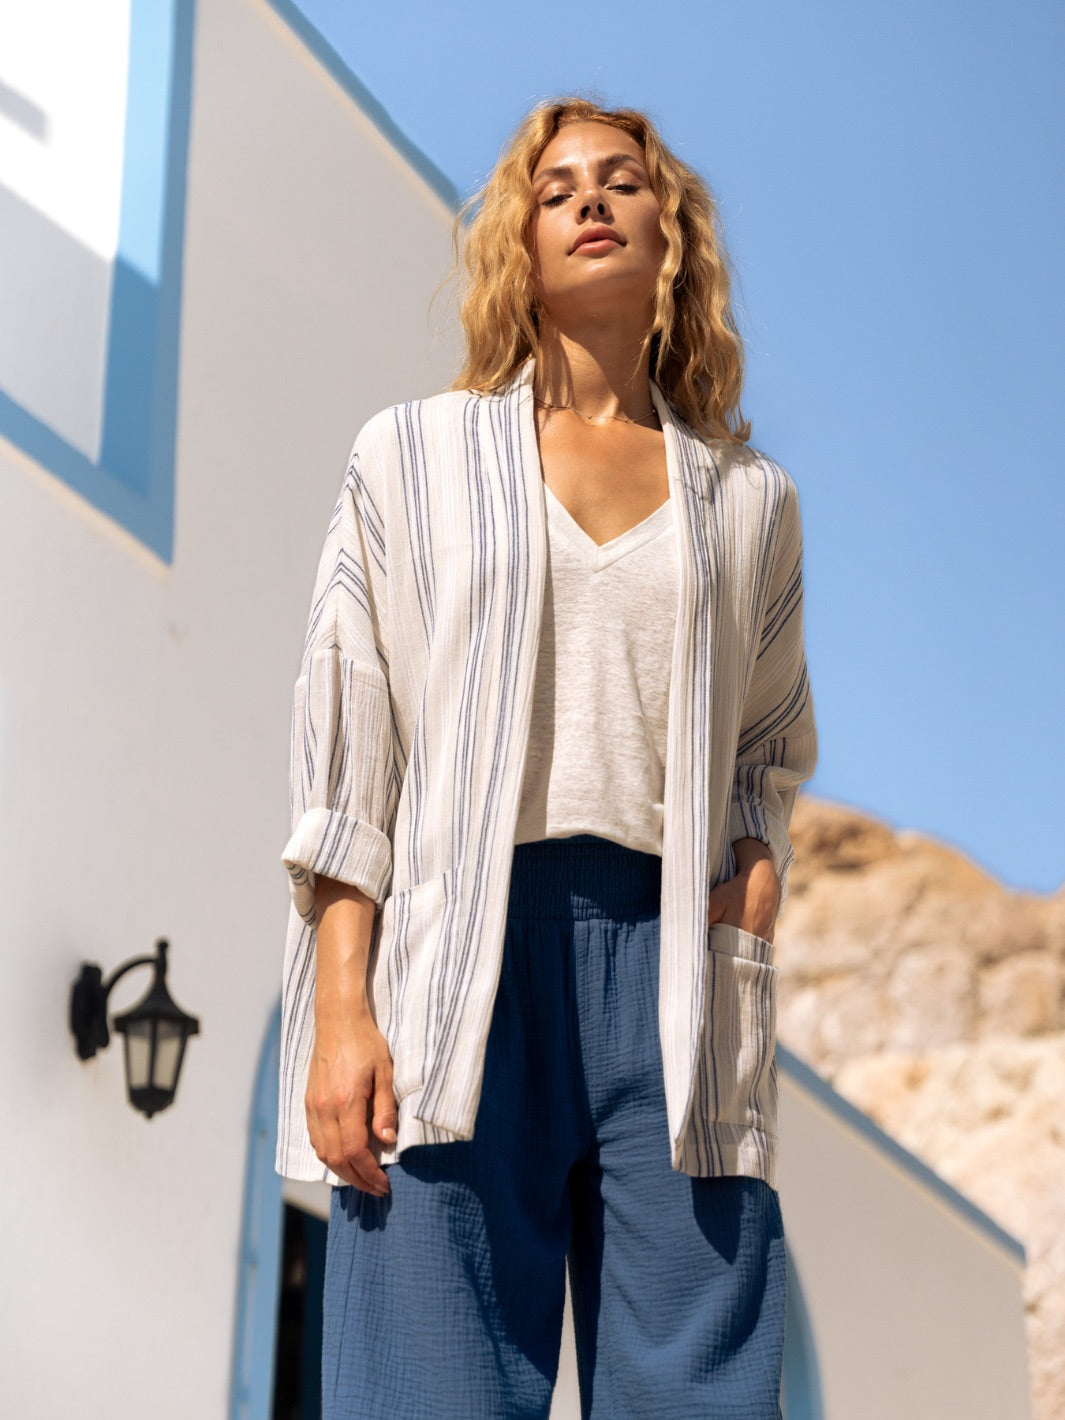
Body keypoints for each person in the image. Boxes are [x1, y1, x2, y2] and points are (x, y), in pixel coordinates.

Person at [277, 96, 816, 1419]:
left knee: (699, 1388)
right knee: (427, 1383)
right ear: (517, 238)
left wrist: (749, 887)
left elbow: (767, 741)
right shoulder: (408, 457)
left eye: (621, 181)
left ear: (667, 234)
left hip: (672, 971)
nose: (589, 200)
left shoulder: (747, 503)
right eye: (556, 184)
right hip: (457, 947)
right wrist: (342, 1004)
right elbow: (354, 735)